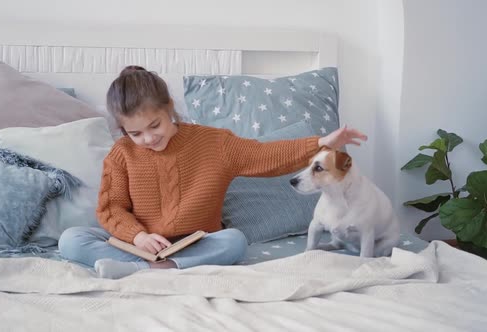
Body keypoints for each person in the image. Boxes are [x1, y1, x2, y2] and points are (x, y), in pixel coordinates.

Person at [58, 66, 367, 279]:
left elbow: (265, 155)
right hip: (137, 247)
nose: (149, 139)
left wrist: (321, 143)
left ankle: (154, 272)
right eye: (136, 133)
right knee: (71, 239)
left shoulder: (212, 143)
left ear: (169, 108)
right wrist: (138, 236)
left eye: (155, 126)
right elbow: (111, 208)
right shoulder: (122, 153)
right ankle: (150, 267)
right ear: (124, 129)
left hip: (196, 244)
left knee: (234, 241)